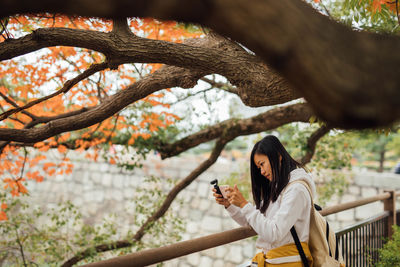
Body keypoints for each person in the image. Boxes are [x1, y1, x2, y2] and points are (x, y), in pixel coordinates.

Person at [212, 135, 316, 266]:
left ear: (278, 156)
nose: (261, 171)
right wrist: (230, 205)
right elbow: (252, 222)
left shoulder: (296, 189)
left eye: (262, 164)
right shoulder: (279, 188)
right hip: (272, 261)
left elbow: (274, 233)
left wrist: (244, 204)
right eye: (258, 167)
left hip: (286, 263)